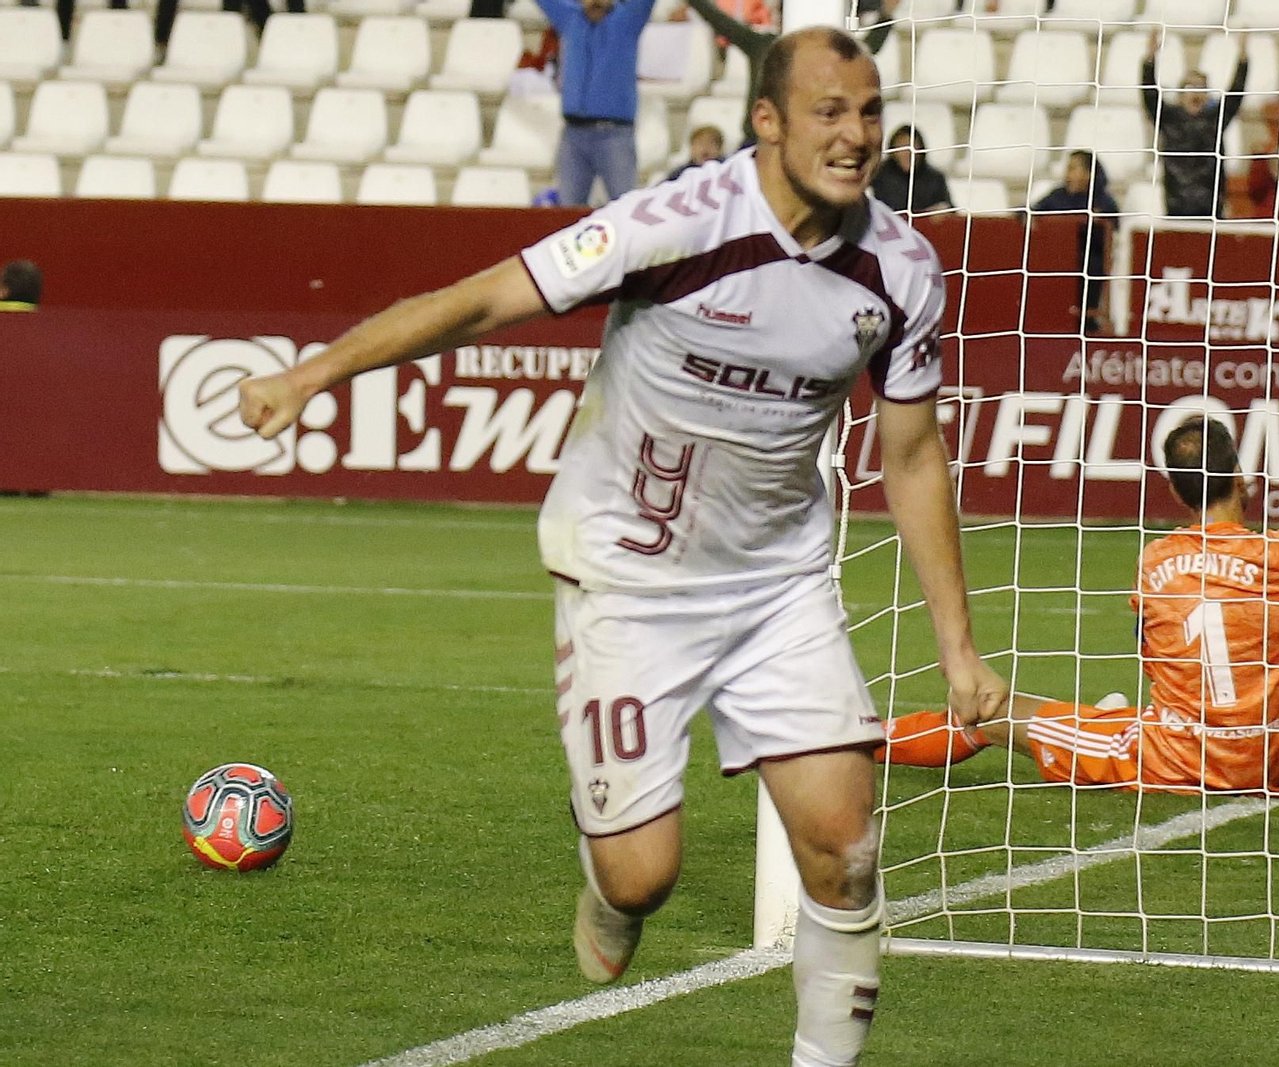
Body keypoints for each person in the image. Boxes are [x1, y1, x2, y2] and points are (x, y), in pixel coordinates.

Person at [235, 27, 1006, 1066]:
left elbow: (911, 456)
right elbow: (481, 301)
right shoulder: (672, 223)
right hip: (629, 577)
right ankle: (609, 877)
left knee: (846, 847)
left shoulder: (902, 269)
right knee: (644, 877)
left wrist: (957, 647)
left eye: (869, 112)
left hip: (777, 585)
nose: (856, 135)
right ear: (766, 121)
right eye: (829, 111)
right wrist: (309, 374)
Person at [878, 340, 1279, 795]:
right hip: (1262, 764)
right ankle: (1111, 720)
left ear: (1175, 491)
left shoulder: (1156, 562)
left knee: (989, 711)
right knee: (1113, 716)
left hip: (1172, 760)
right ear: (1243, 480)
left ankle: (861, 742)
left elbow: (1155, 656)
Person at [678, 0, 896, 145]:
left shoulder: (829, 54)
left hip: (806, 145)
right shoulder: (762, 45)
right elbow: (720, 22)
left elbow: (866, 49)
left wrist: (887, 15)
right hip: (757, 144)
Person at [535, 0, 654, 205]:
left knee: (624, 206)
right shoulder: (570, 18)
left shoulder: (628, 20)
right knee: (568, 211)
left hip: (615, 134)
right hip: (573, 133)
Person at [1143, 29, 1249, 218]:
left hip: (1210, 209)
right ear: (1180, 94)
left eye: (1201, 87)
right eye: (1190, 87)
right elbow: (1149, 95)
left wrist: (1242, 58)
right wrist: (1150, 59)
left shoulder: (1216, 119)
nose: (1195, 93)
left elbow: (1236, 94)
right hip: (1176, 208)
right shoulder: (1169, 118)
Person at [1029, 150, 1119, 333]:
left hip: (1088, 260)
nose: (1067, 174)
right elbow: (1033, 211)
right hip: (1056, 258)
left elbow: (1111, 231)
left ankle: (1087, 320)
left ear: (1088, 174)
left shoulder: (1104, 201)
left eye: (1072, 169)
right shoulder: (1057, 196)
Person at [871, 124, 952, 215]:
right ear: (893, 151)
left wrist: (942, 210)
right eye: (902, 147)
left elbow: (950, 210)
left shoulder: (935, 179)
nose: (908, 154)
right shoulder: (878, 175)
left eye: (913, 147)